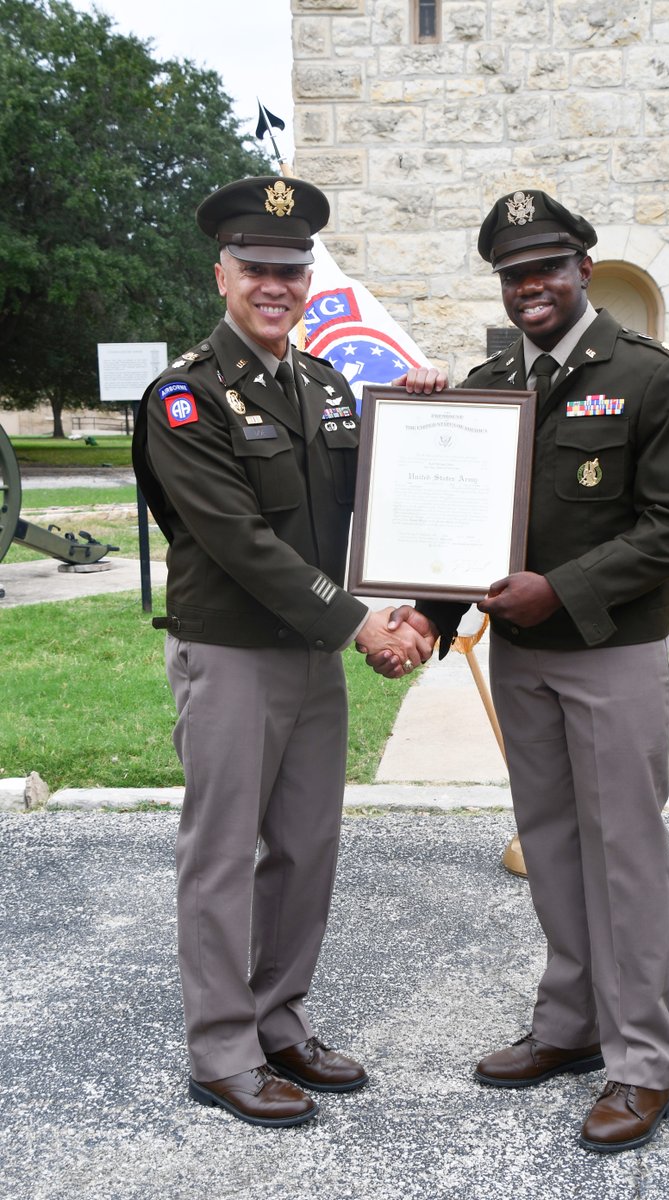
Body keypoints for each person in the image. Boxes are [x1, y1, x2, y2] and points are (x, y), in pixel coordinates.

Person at [380, 188, 669, 1152]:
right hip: (523, 661)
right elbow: (465, 534)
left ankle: (644, 1064)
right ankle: (570, 1025)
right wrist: (425, 616)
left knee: (625, 858)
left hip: (610, 656)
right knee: (555, 850)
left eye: (547, 267)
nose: (531, 285)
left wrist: (558, 591)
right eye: (513, 272)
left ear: (582, 268)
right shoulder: (488, 386)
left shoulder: (654, 379)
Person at [132, 175, 435, 1129]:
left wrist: (428, 417)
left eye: (291, 271)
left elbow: (380, 502)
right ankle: (221, 1049)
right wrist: (360, 625)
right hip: (229, 656)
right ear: (221, 273)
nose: (277, 285)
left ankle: (278, 1018)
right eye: (258, 268)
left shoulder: (324, 385)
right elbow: (236, 540)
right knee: (221, 856)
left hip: (312, 659)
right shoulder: (185, 398)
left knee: (305, 850)